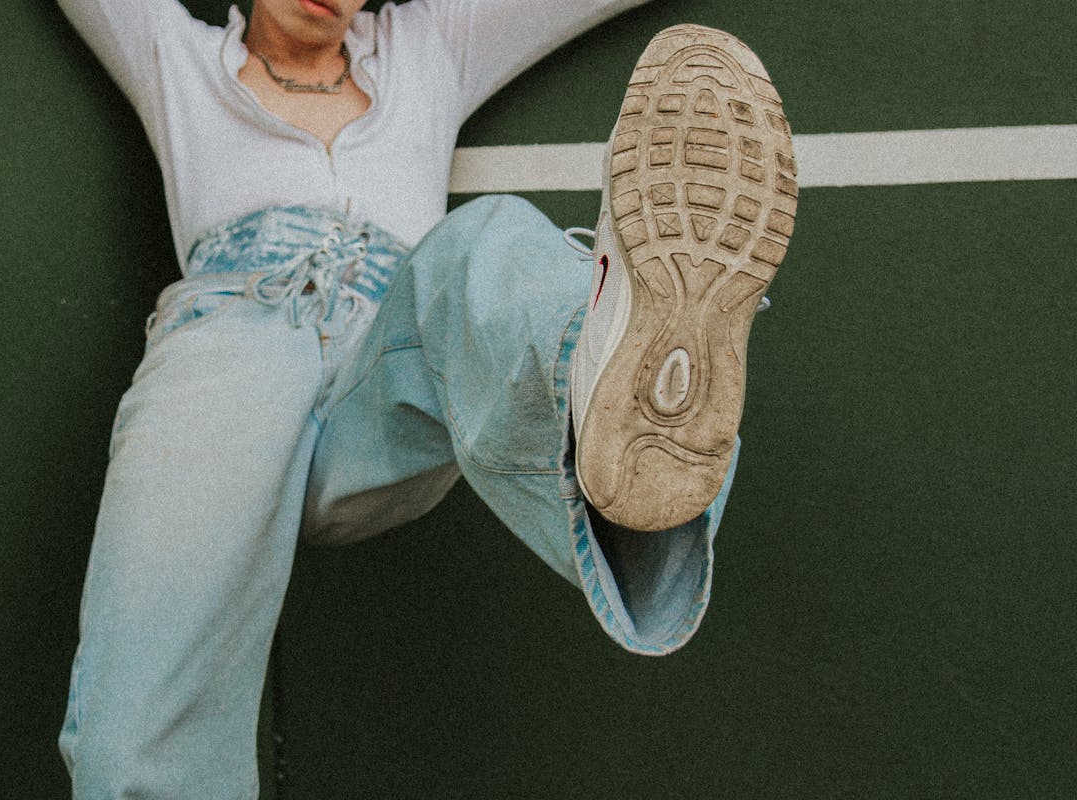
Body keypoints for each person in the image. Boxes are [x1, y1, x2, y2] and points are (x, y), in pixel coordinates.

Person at [52, 0, 797, 796]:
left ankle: (603, 380)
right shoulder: (175, 56)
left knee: (483, 247)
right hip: (229, 349)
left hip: (393, 362)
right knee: (135, 731)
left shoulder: (430, 47)